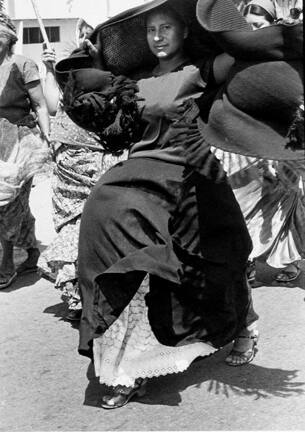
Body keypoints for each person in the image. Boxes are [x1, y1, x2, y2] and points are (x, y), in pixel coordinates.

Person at [56, 0, 302, 408]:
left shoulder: (204, 69)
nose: (157, 37)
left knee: (219, 258)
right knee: (105, 215)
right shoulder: (132, 79)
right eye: (150, 29)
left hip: (190, 175)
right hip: (137, 174)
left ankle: (244, 326)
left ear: (184, 30)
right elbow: (92, 106)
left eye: (165, 28)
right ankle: (124, 368)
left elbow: (248, 56)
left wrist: (241, 29)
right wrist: (88, 58)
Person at [38, 20, 127, 321]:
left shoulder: (109, 87)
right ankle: (79, 295)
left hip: (97, 166)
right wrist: (49, 71)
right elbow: (52, 107)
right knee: (74, 227)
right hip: (69, 171)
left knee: (95, 227)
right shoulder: (68, 84)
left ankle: (99, 293)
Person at [211, 0, 305, 286]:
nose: (252, 31)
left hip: (286, 146)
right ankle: (247, 261)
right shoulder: (235, 57)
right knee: (243, 202)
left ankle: (287, 261)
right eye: (247, 25)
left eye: (258, 25)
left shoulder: (286, 57)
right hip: (245, 147)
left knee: (288, 202)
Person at [0, 12, 49, 289]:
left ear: (7, 40)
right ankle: (30, 252)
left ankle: (7, 261)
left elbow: (41, 105)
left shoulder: (23, 65)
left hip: (20, 143)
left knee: (7, 203)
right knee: (15, 205)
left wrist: (48, 136)